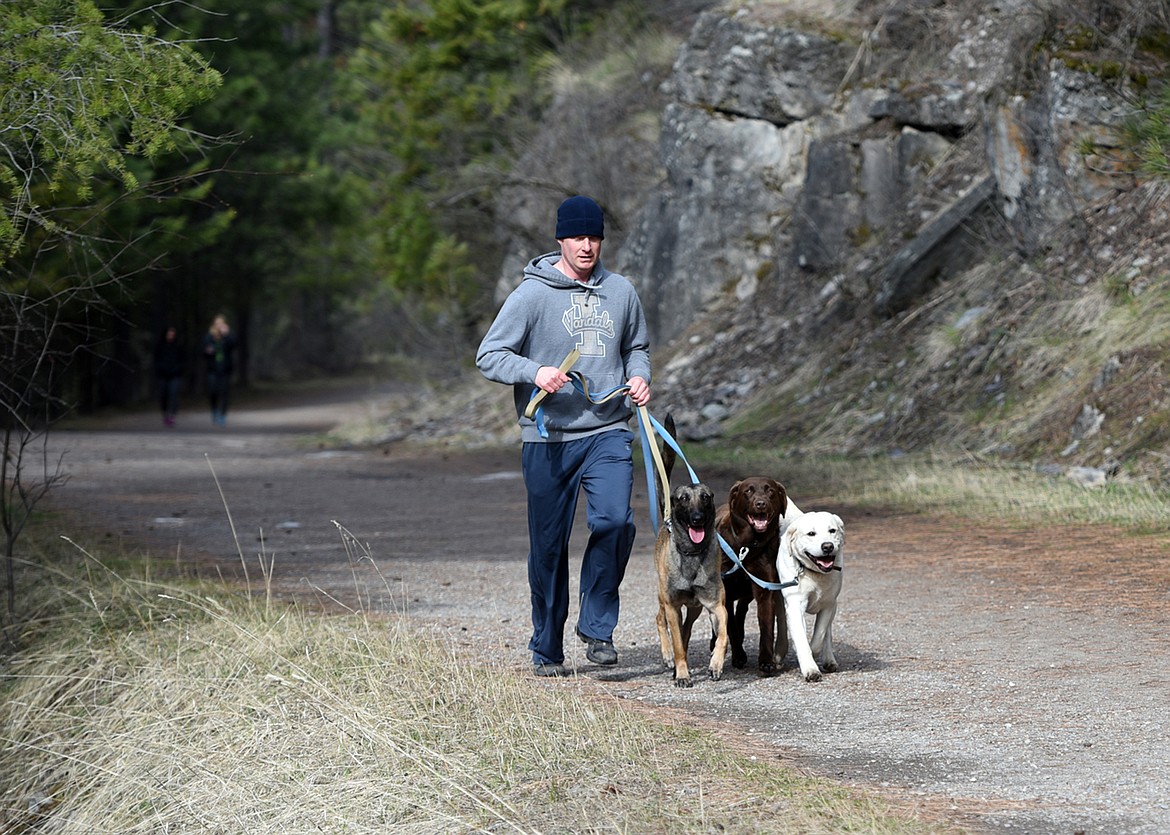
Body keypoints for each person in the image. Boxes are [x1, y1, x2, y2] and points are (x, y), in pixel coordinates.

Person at [476, 195, 652, 678]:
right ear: (560, 239)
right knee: (549, 547)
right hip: (547, 438)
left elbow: (637, 345)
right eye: (578, 237)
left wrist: (639, 376)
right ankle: (547, 646)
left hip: (607, 430)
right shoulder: (531, 295)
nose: (587, 245)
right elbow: (489, 355)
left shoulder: (621, 292)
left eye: (594, 236)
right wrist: (536, 371)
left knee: (616, 521)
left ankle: (597, 628)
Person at [202, 314, 236, 426]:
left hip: (225, 369)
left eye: (221, 323)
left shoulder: (228, 336)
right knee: (213, 391)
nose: (219, 326)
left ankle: (222, 415)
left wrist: (226, 335)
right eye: (217, 324)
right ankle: (214, 410)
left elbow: (234, 346)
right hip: (213, 369)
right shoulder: (209, 337)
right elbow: (203, 351)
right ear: (214, 325)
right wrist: (207, 351)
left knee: (225, 393)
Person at [153, 326, 186, 427]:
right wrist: (160, 369)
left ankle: (172, 415)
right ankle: (165, 413)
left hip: (175, 375)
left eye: (173, 334)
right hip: (163, 375)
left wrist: (178, 369)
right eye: (169, 334)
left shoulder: (178, 346)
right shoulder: (160, 346)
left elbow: (183, 360)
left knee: (174, 394)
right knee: (164, 395)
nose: (171, 336)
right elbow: (156, 360)